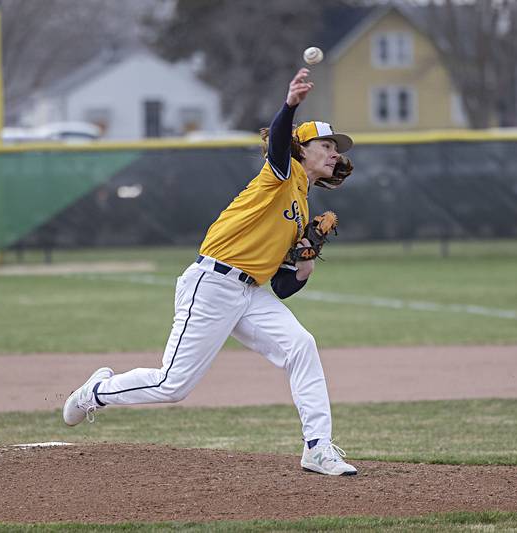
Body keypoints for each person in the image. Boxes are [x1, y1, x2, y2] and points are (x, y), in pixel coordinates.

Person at [63, 68, 358, 476]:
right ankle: (97, 391)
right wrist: (289, 104)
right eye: (325, 144)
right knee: (173, 385)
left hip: (251, 292)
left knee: (301, 346)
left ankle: (317, 448)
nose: (333, 153)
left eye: (334, 147)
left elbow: (283, 286)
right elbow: (277, 142)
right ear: (301, 150)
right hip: (213, 283)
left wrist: (305, 263)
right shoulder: (280, 175)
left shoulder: (303, 205)